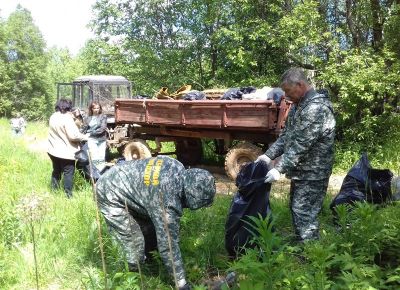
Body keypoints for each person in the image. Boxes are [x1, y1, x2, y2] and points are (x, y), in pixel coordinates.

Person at [96, 156, 216, 289]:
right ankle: (132, 278)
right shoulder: (167, 201)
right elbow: (168, 245)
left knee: (150, 230)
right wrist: (181, 283)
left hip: (127, 184)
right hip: (110, 193)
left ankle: (151, 263)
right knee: (133, 242)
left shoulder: (176, 166)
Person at [256, 67, 336, 242]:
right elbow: (287, 136)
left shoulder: (316, 108)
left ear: (300, 85)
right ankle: (302, 243)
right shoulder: (299, 106)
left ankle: (311, 254)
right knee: (296, 207)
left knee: (304, 212)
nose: (285, 96)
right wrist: (268, 156)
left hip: (314, 172)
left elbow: (301, 144)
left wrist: (279, 168)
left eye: (287, 91)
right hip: (302, 171)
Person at [47, 99, 88, 198]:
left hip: (52, 150)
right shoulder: (67, 118)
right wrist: (85, 137)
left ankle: (54, 191)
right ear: (68, 107)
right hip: (66, 152)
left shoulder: (53, 116)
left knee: (56, 171)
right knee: (68, 173)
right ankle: (68, 195)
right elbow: (73, 136)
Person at [81, 101, 108, 172]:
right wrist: (79, 134)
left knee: (101, 157)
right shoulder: (87, 118)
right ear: (91, 109)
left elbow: (102, 128)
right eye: (95, 108)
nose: (96, 110)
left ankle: (101, 172)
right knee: (94, 157)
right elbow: (84, 128)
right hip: (92, 140)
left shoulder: (103, 117)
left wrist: (90, 133)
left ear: (100, 108)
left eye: (98, 108)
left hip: (102, 139)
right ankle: (96, 173)